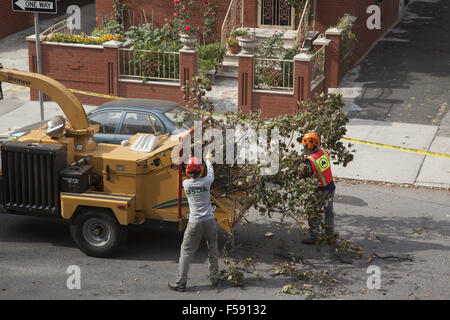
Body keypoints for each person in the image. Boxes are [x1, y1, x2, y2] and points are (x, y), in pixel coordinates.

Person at [168, 152, 219, 292]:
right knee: (213, 249)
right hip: (209, 221)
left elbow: (185, 175)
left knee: (186, 252)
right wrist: (208, 160)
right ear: (200, 170)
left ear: (187, 172)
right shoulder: (207, 182)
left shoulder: (186, 184)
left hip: (195, 223)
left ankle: (181, 283)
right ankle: (214, 279)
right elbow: (211, 174)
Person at [301, 132, 337, 245]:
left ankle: (315, 236)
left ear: (308, 146)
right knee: (329, 212)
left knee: (313, 213)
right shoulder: (324, 151)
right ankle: (329, 235)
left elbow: (306, 175)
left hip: (321, 190)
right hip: (331, 186)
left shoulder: (310, 160)